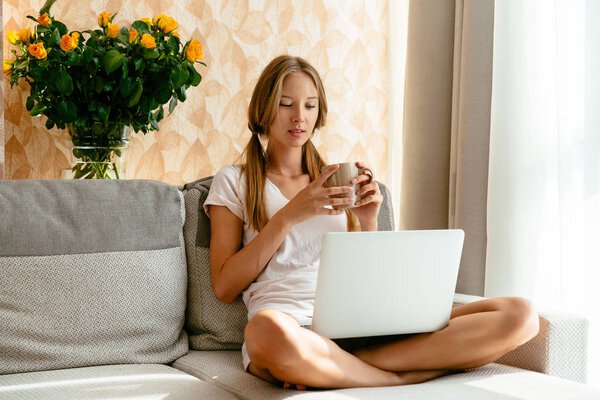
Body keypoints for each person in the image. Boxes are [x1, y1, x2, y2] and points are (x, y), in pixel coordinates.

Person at [203, 54, 539, 390]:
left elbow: (366, 279)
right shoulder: (235, 180)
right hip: (291, 326)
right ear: (264, 108)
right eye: (286, 104)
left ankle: (339, 368)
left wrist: (368, 221)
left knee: (520, 316)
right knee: (264, 332)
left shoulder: (335, 180)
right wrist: (290, 215)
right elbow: (224, 286)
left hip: (360, 325)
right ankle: (399, 375)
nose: (299, 117)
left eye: (310, 105)